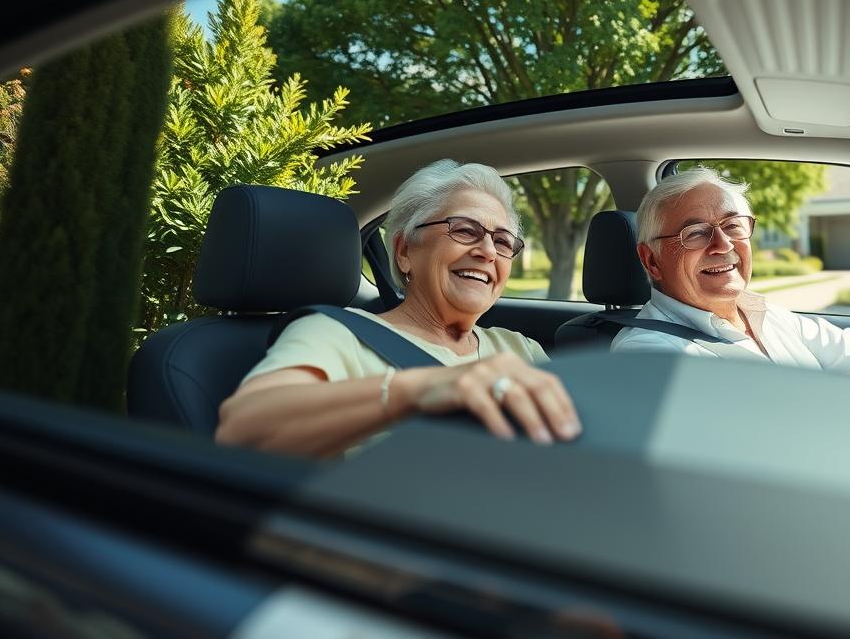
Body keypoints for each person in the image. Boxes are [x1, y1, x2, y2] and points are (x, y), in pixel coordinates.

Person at [216, 159, 581, 457]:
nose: (487, 251)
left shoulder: (519, 348)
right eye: (465, 230)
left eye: (502, 241)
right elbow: (242, 432)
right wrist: (419, 389)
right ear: (405, 251)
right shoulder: (336, 334)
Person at [610, 168, 850, 399]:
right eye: (695, 233)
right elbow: (757, 435)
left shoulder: (766, 314)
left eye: (733, 225)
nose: (723, 245)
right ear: (652, 261)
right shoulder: (644, 354)